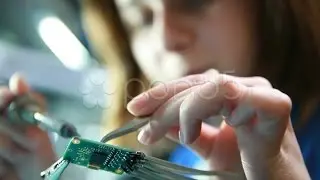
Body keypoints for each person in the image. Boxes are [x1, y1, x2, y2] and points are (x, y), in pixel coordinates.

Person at [0, 0, 317, 180]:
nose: (166, 40)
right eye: (142, 18)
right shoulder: (171, 155)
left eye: (192, 2)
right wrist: (32, 171)